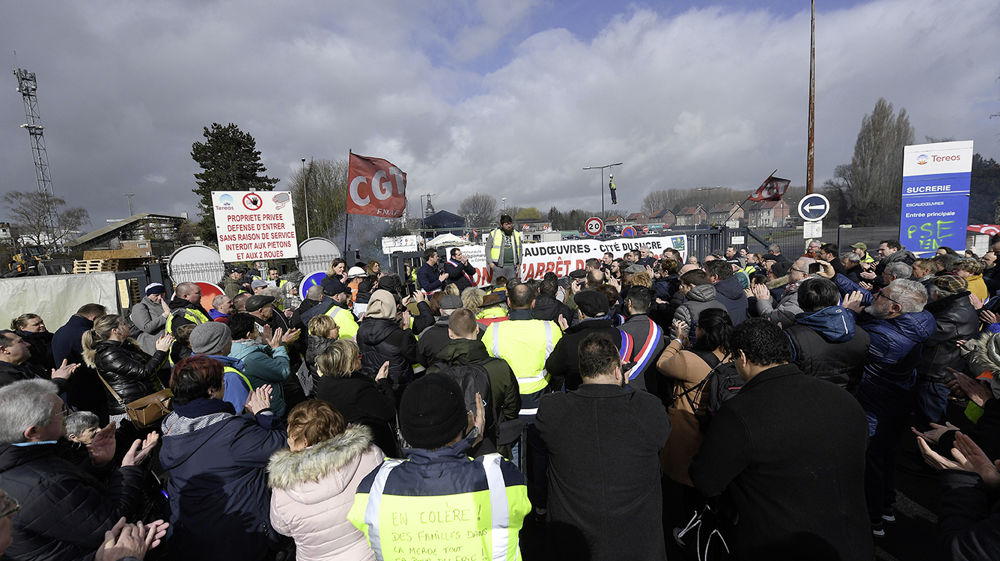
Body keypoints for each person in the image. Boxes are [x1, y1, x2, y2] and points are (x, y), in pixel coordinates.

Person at [691, 318, 872, 561]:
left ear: (742, 357)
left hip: (779, 543)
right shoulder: (843, 398)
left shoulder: (740, 413)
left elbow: (707, 481)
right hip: (851, 540)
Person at [347, 373, 530, 561]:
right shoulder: (501, 478)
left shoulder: (374, 488)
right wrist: (479, 440)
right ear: (463, 424)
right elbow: (514, 501)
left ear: (405, 431)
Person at [537, 333, 669, 561]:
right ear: (618, 370)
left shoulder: (553, 411)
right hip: (637, 544)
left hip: (574, 545)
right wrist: (626, 388)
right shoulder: (647, 409)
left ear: (582, 370)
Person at [0, 379, 158, 560]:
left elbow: (70, 498)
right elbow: (111, 524)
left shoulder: (25, 458)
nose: (69, 415)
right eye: (62, 412)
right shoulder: (42, 486)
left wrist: (96, 463)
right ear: (33, 432)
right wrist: (129, 470)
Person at [159, 356, 286, 561]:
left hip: (193, 539)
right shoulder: (232, 434)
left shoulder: (172, 429)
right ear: (211, 390)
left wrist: (247, 419)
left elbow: (216, 449)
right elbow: (281, 446)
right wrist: (264, 413)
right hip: (241, 541)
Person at [841, 278, 935, 536]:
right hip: (897, 402)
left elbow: (849, 340)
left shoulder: (885, 339)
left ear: (895, 308)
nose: (874, 295)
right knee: (886, 457)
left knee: (870, 461)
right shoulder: (919, 318)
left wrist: (848, 314)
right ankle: (886, 506)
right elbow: (873, 303)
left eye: (881, 294)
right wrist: (835, 275)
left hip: (874, 404)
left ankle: (872, 520)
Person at [268, 400, 383, 561]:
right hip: (369, 554)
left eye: (291, 439)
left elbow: (281, 527)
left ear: (304, 443)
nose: (288, 442)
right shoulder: (371, 454)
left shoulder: (283, 484)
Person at [426, 308, 521, 457]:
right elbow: (512, 407)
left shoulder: (435, 372)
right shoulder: (499, 367)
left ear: (450, 333)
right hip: (492, 446)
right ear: (477, 329)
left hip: (451, 453)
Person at [657, 308, 733, 486]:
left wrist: (678, 340)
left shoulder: (686, 360)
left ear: (703, 331)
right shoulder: (732, 356)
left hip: (686, 430)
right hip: (716, 430)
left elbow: (662, 364)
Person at [81, 314, 172, 428]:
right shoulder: (108, 353)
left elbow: (152, 366)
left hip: (148, 404)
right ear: (115, 330)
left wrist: (162, 348)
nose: (128, 326)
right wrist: (160, 352)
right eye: (124, 324)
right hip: (131, 413)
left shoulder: (126, 346)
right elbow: (144, 372)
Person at [314, 339, 399, 457]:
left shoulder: (325, 380)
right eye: (357, 356)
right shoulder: (358, 389)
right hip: (373, 445)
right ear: (348, 362)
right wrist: (383, 382)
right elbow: (389, 411)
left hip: (345, 443)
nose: (361, 357)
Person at [783, 278, 870, 391]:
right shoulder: (862, 335)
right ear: (836, 300)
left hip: (805, 397)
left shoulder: (792, 337)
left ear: (800, 302)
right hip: (846, 398)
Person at [915, 275, 979, 426]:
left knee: (932, 424)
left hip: (938, 378)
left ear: (937, 293)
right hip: (940, 374)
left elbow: (925, 336)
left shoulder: (953, 315)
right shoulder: (956, 306)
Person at [545, 290, 626, 391]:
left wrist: (567, 333)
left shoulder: (569, 341)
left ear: (580, 313)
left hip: (577, 397)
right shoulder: (618, 334)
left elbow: (553, 368)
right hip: (611, 394)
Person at [228, 312, 297, 418]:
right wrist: (277, 348)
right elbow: (282, 372)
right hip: (270, 409)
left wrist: (266, 345)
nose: (259, 332)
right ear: (248, 334)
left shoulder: (232, 350)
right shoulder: (253, 358)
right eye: (256, 329)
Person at [52, 303, 108, 420]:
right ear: (94, 318)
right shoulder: (85, 334)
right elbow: (97, 362)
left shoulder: (59, 332)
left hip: (70, 392)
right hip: (89, 393)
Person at [356, 289, 419, 392]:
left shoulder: (360, 330)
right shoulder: (399, 335)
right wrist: (407, 330)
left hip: (373, 383)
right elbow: (416, 356)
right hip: (399, 385)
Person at [189, 321, 254, 414]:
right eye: (228, 338)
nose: (231, 340)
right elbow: (241, 415)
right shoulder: (230, 377)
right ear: (221, 347)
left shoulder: (191, 368)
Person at [619, 285, 664, 393]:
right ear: (649, 305)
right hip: (651, 390)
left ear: (629, 303)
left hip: (626, 390)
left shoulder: (620, 332)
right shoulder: (658, 330)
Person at [0, 329, 77, 389]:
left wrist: (62, 375)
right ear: (3, 350)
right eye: (20, 342)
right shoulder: (4, 378)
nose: (28, 344)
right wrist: (59, 380)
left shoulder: (26, 365)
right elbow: (33, 400)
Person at [671, 269, 727, 341]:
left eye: (683, 286)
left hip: (691, 350)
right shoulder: (721, 306)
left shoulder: (685, 309)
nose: (680, 289)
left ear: (691, 287)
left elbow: (678, 339)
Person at [10, 313, 54, 379]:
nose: (42, 325)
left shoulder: (49, 336)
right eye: (36, 324)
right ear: (22, 328)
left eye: (42, 322)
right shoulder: (21, 344)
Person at [704, 259, 748, 325]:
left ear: (715, 277)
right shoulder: (741, 291)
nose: (705, 278)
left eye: (706, 275)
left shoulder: (711, 297)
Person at [131, 282, 171, 355]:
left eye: (162, 294)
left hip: (169, 345)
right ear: (148, 295)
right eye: (156, 295)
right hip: (151, 349)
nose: (160, 297)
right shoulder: (140, 307)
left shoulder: (167, 303)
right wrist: (164, 316)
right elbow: (146, 327)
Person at [485, 214, 523, 281]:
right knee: (499, 288)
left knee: (512, 287)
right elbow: (487, 248)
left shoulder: (516, 233)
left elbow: (520, 249)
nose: (509, 226)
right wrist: (490, 263)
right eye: (506, 224)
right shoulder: (494, 233)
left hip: (512, 266)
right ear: (502, 225)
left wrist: (519, 263)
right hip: (498, 266)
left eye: (510, 224)